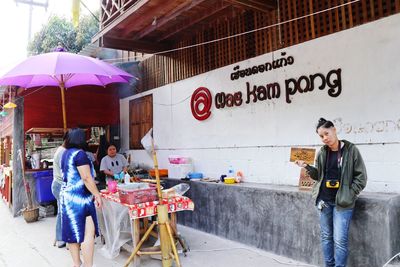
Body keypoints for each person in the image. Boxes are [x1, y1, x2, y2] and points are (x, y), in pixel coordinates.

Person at [294, 118, 367, 267]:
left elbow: (361, 177)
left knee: (340, 241)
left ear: (334, 129)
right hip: (324, 201)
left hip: (343, 203)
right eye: (321, 136)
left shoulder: (351, 150)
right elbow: (318, 175)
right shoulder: (322, 152)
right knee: (326, 237)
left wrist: (350, 193)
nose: (324, 138)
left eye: (326, 133)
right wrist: (307, 166)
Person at [60, 128, 102, 267]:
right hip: (81, 198)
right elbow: (86, 177)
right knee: (87, 234)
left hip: (67, 197)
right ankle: (88, 265)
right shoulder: (80, 154)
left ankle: (77, 264)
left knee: (73, 232)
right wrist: (97, 194)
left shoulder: (65, 154)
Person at [51, 132, 68, 248]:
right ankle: (61, 239)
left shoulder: (62, 150)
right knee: (62, 212)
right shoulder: (63, 152)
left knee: (62, 212)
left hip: (58, 185)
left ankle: (60, 237)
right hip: (60, 185)